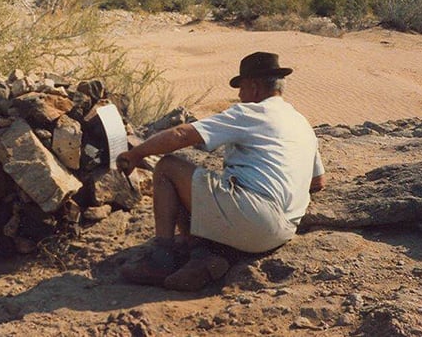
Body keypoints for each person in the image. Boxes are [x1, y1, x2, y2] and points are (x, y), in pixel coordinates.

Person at [116, 51, 325, 291]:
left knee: (168, 168)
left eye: (242, 88)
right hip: (282, 233)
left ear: (255, 88)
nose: (239, 95)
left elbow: (182, 135)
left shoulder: (251, 112)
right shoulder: (302, 123)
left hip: (254, 219)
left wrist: (136, 154)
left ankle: (161, 260)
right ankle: (204, 258)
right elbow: (318, 181)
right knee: (208, 188)